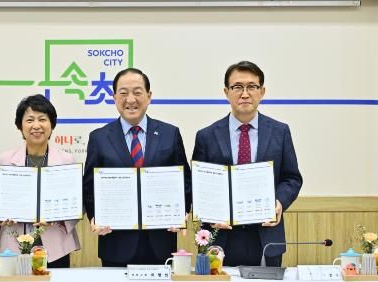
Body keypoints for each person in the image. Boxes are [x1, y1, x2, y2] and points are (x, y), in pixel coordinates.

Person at [192, 61, 302, 267]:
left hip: (266, 235)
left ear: (262, 91)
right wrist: (209, 213)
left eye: (252, 86)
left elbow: (292, 178)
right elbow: (198, 185)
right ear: (226, 92)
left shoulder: (280, 132)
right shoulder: (206, 136)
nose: (245, 94)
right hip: (220, 236)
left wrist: (279, 203)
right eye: (237, 87)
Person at [83, 68, 191, 267]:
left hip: (161, 243)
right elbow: (89, 187)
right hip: (115, 243)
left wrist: (182, 212)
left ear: (149, 96)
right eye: (123, 93)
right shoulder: (99, 138)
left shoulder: (170, 134)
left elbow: (185, 181)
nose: (130, 99)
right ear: (114, 97)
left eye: (137, 92)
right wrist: (95, 217)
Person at [0, 94, 80, 268]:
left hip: (55, 245)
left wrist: (57, 218)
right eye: (30, 120)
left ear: (51, 124)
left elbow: (78, 203)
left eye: (42, 119)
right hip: (13, 243)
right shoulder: (5, 160)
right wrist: (1, 215)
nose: (36, 125)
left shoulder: (67, 160)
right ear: (20, 126)